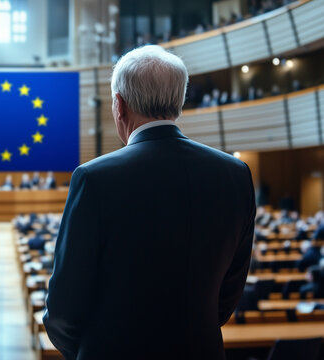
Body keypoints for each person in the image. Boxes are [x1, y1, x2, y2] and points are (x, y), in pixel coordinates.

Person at [43, 45, 255, 359]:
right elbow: (228, 293)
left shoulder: (94, 178)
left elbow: (63, 307)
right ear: (179, 101)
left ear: (119, 105)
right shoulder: (236, 174)